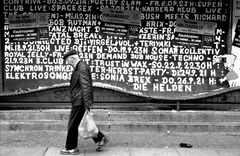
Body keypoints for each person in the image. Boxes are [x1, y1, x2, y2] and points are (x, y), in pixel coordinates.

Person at [60, 50, 109, 155]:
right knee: (81, 123)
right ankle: (100, 137)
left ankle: (72, 148)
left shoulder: (82, 68)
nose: (67, 62)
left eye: (68, 60)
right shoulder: (79, 67)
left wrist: (86, 104)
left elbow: (85, 86)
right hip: (79, 100)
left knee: (72, 125)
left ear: (73, 58)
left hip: (80, 101)